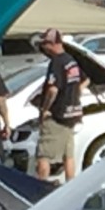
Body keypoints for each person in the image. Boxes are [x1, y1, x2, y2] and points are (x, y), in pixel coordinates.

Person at [35, 27, 84, 181]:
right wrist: (74, 94)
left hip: (57, 115)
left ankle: (39, 189)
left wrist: (44, 109)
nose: (43, 48)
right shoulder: (71, 61)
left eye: (45, 44)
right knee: (68, 155)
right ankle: (71, 187)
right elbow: (85, 80)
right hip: (72, 114)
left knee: (44, 156)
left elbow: (53, 90)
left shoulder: (56, 62)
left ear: (52, 43)